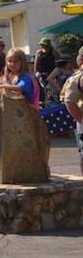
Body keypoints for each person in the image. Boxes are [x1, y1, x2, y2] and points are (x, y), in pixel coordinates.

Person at [61, 46, 83, 175]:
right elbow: (69, 101)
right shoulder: (78, 78)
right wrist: (80, 119)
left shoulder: (76, 78)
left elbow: (69, 100)